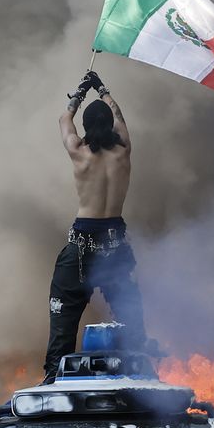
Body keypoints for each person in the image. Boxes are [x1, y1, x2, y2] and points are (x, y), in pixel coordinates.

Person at [45, 70, 147, 381]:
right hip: (115, 245)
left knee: (63, 314)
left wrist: (80, 92)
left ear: (88, 126)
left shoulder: (79, 152)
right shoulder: (123, 151)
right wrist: (103, 88)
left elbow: (64, 120)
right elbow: (119, 115)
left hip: (81, 247)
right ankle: (142, 368)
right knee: (130, 314)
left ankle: (53, 376)